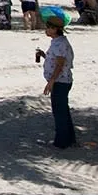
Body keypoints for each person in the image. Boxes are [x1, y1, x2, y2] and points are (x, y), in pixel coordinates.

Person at [36, 13, 76, 148]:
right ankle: (69, 139)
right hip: (62, 80)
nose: (46, 30)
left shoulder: (60, 44)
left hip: (60, 82)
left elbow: (60, 64)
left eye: (48, 28)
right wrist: (43, 55)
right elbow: (55, 60)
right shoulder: (57, 42)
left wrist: (51, 81)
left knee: (59, 112)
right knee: (63, 110)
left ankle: (62, 142)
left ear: (54, 29)